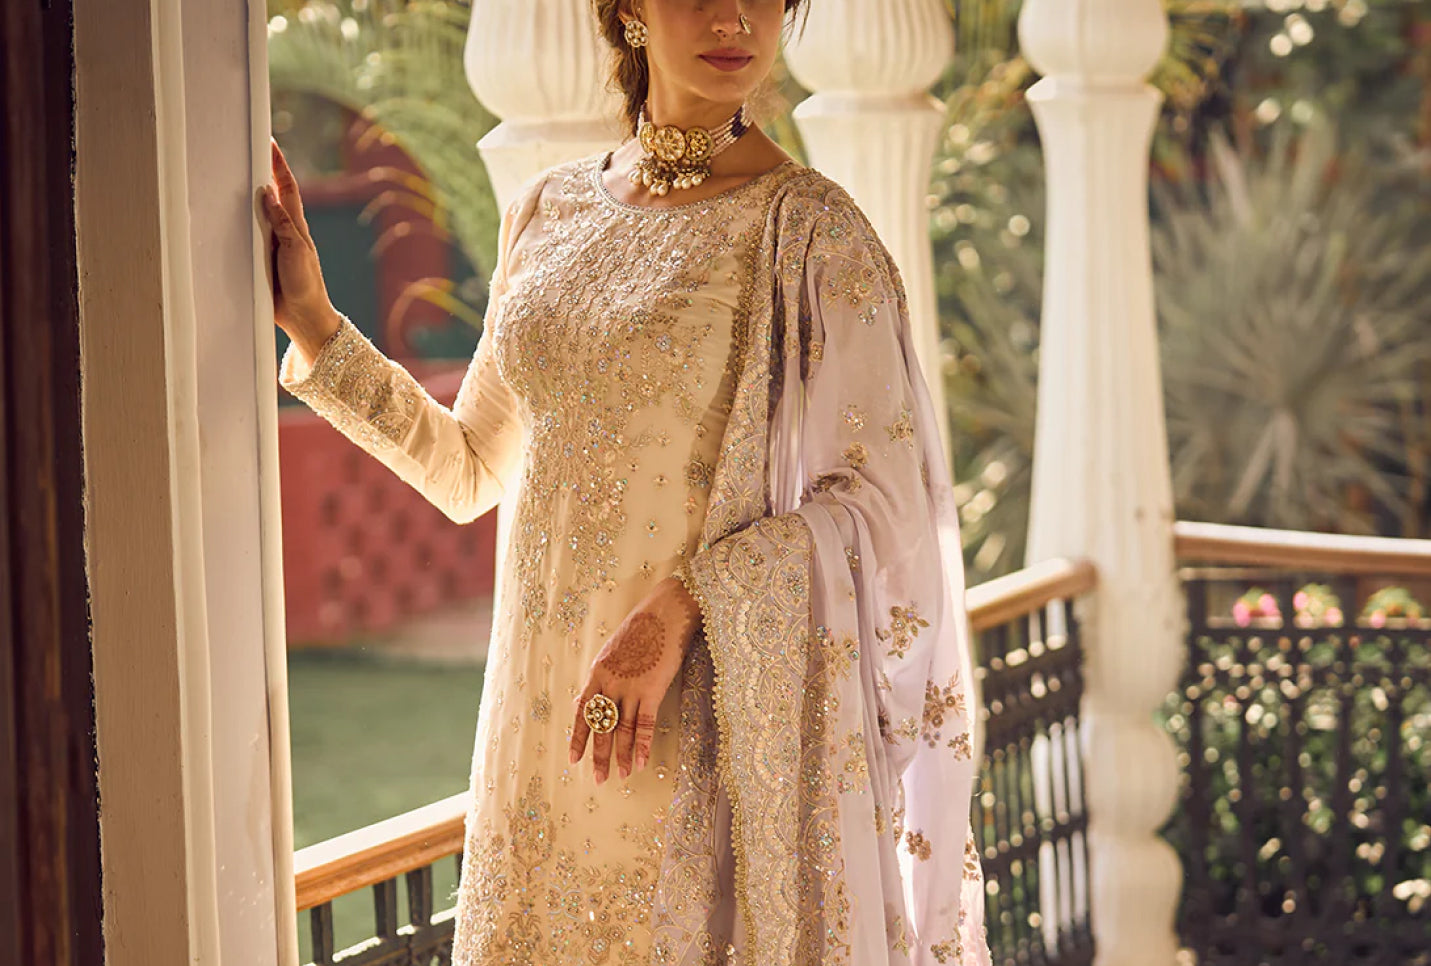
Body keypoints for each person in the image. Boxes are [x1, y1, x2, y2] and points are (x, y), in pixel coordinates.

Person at [261, 1, 990, 963]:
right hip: (536, 737)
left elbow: (883, 507)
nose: (733, 18)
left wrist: (684, 605)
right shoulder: (547, 210)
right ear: (629, 11)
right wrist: (316, 326)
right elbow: (469, 466)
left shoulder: (809, 232)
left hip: (688, 729)